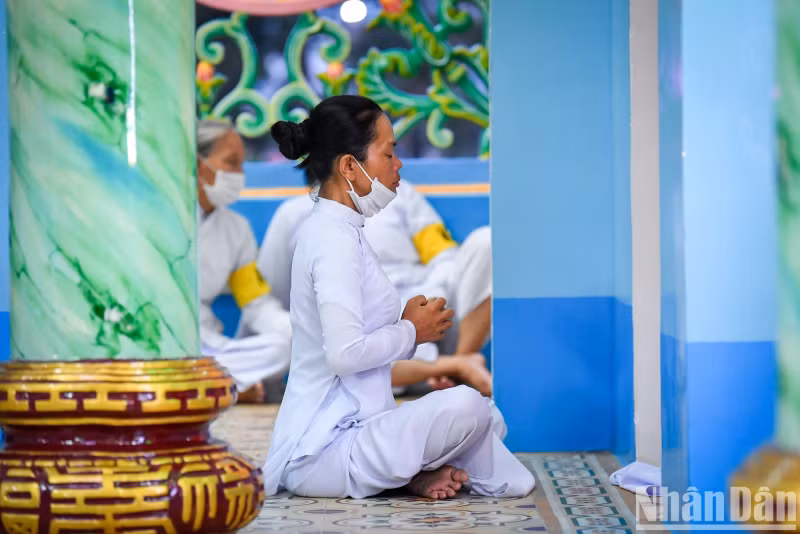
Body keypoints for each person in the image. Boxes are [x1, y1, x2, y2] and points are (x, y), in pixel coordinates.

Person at [263, 95, 534, 500]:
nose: (398, 164)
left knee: (480, 413)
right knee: (467, 409)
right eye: (388, 153)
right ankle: (409, 472)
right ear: (349, 166)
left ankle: (410, 474)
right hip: (323, 450)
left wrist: (406, 325)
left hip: (360, 430)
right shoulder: (331, 240)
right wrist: (411, 331)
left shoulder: (345, 230)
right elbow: (345, 355)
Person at [259, 173, 492, 395]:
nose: (395, 164)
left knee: (486, 244)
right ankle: (449, 367)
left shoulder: (400, 196)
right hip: (359, 336)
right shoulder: (292, 215)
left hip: (429, 320)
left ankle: (460, 364)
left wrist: (428, 301)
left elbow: (443, 258)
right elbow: (269, 297)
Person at [196, 119, 291, 402]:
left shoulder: (237, 229)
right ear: (198, 164)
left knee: (281, 348)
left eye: (241, 164)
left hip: (213, 347)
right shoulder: (163, 215)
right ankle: (228, 387)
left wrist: (303, 332)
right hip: (164, 340)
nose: (239, 174)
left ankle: (222, 386)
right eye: (231, 162)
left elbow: (256, 304)